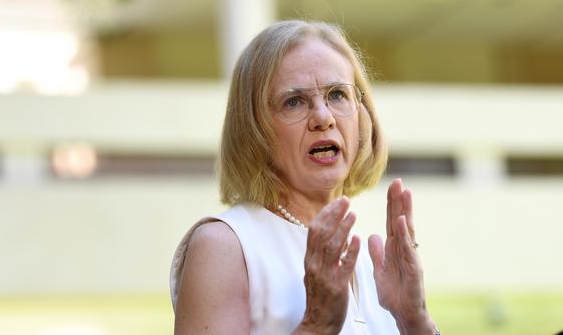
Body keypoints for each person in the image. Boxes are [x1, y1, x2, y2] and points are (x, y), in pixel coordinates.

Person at [170, 20, 439, 334]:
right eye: (293, 101)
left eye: (337, 95)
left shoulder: (370, 258)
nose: (323, 118)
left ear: (362, 115)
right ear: (254, 129)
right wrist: (315, 325)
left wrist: (415, 320)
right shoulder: (225, 246)